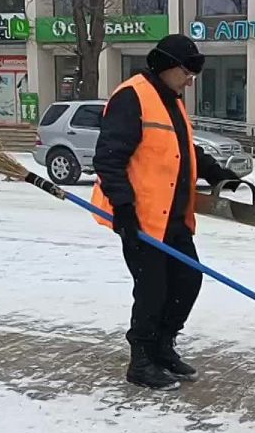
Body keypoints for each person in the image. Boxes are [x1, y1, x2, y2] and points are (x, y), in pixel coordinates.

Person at [91, 34, 241, 391]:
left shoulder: (170, 99)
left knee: (187, 282)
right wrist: (123, 208)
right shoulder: (133, 96)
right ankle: (140, 359)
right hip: (142, 220)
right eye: (186, 72)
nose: (191, 80)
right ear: (166, 66)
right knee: (152, 290)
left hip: (173, 217)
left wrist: (215, 171)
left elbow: (181, 148)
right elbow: (109, 158)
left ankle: (162, 346)